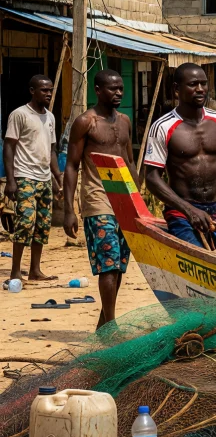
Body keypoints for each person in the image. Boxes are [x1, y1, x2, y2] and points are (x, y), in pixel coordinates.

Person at [142, 63, 216, 254]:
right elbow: (152, 178)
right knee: (197, 258)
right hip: (181, 211)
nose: (200, 89)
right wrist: (188, 210)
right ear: (177, 89)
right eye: (193, 84)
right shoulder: (163, 127)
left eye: (203, 84)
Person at [62, 69, 134, 328]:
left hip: (124, 200)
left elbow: (130, 161)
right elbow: (71, 165)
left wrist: (139, 201)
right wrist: (68, 209)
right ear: (98, 90)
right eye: (112, 89)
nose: (118, 93)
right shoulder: (86, 122)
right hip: (96, 198)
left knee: (120, 265)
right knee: (108, 263)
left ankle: (104, 324)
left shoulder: (125, 121)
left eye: (120, 89)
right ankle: (112, 328)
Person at [5, 75, 60, 284]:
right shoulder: (19, 115)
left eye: (50, 90)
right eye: (44, 90)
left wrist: (58, 177)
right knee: (25, 224)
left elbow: (52, 150)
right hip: (25, 176)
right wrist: (11, 180)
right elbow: (9, 146)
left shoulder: (51, 117)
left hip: (44, 178)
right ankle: (15, 271)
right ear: (32, 91)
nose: (48, 93)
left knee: (43, 225)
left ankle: (35, 270)